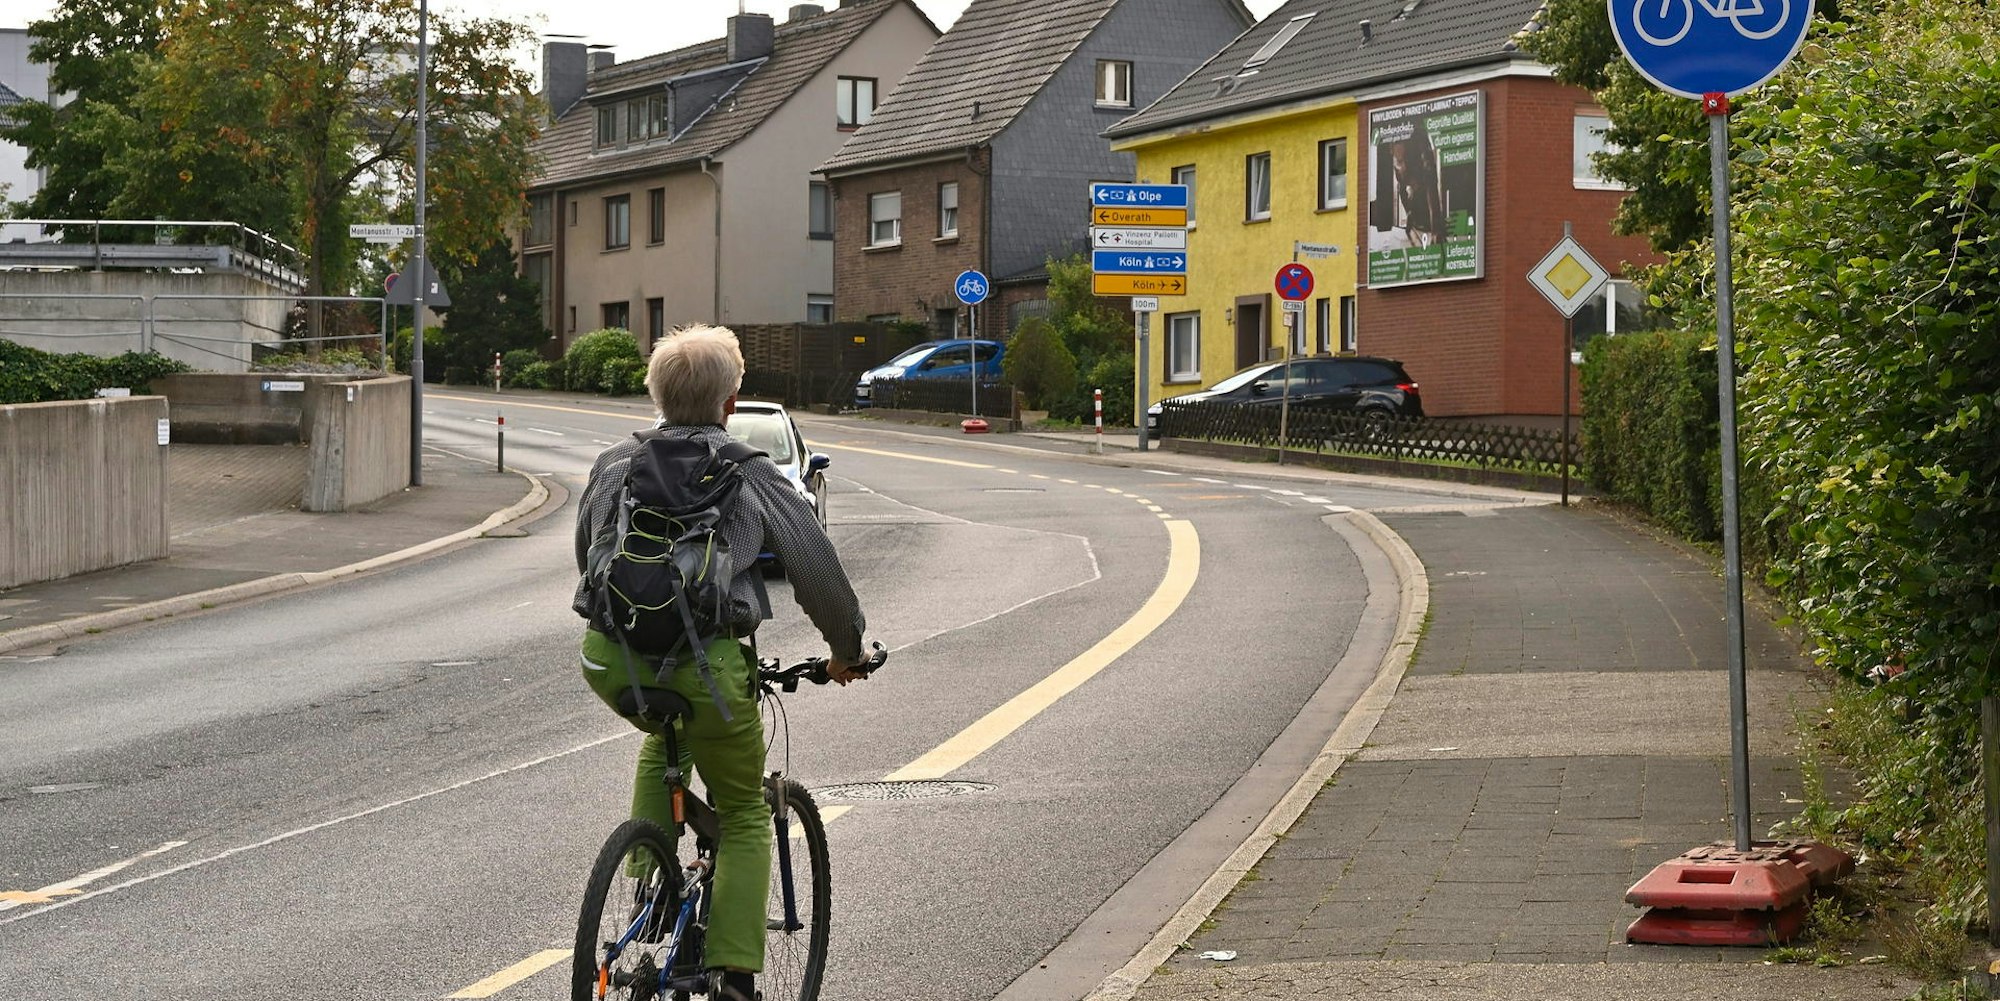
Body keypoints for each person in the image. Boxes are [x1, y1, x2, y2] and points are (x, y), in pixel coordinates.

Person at [574, 324, 868, 1001]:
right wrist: (846, 651)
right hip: (706, 668)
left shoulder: (615, 463)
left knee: (664, 738)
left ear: (656, 396)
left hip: (613, 661)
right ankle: (733, 974)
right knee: (742, 810)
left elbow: (589, 556)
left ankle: (651, 891)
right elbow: (815, 567)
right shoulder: (749, 471)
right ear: (730, 403)